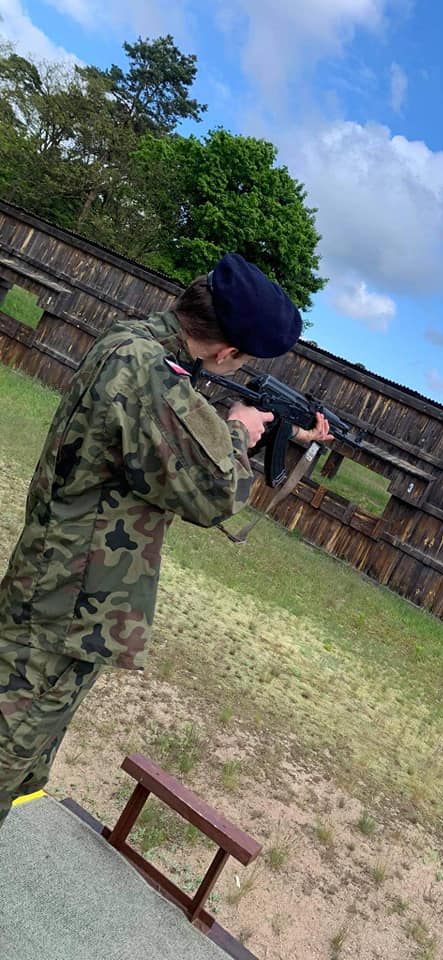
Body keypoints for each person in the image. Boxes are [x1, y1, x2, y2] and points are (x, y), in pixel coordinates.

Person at [0, 253, 331, 831]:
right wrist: (240, 430)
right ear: (227, 353)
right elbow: (214, 494)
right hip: (66, 607)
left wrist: (279, 428)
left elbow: (170, 424)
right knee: (8, 749)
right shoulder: (149, 373)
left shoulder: (133, 345)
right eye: (241, 358)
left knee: (23, 752)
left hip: (62, 592)